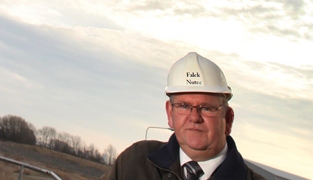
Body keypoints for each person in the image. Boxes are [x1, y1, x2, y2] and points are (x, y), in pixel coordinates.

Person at [104, 52, 266, 180]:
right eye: (184, 106)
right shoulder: (134, 162)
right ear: (170, 113)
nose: (194, 117)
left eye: (206, 108)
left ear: (228, 119)